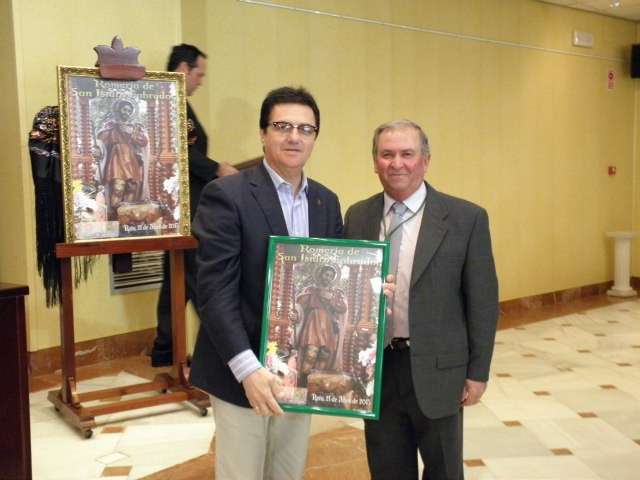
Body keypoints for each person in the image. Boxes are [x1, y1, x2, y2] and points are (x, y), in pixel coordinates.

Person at [190, 86, 343, 479]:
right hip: (242, 370)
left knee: (287, 471)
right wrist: (248, 370)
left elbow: (337, 281)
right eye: (282, 126)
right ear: (263, 133)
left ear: (315, 138)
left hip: (301, 370)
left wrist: (376, 292)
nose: (294, 137)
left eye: (305, 129)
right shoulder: (227, 195)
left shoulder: (326, 202)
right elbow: (214, 292)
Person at [344, 119, 499, 480]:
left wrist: (477, 372)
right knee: (387, 469)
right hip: (377, 371)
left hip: (439, 371)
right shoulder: (357, 216)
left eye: (407, 154)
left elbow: (483, 302)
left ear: (425, 160)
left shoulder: (466, 218)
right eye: (387, 154)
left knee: (444, 470)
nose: (396, 163)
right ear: (375, 162)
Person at [150, 44, 237, 367]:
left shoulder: (175, 102)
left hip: (183, 207)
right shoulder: (168, 102)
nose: (201, 81)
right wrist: (217, 169)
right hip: (182, 208)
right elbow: (177, 153)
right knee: (197, 278)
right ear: (184, 69)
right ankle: (216, 350)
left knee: (178, 281)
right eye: (199, 74)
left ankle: (165, 351)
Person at [294, 264, 347, 386]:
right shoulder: (311, 290)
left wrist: (333, 299)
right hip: (314, 323)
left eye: (331, 276)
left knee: (324, 355)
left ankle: (315, 384)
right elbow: (300, 303)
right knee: (311, 354)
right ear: (320, 274)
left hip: (328, 326)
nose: (328, 278)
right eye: (326, 274)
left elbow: (342, 308)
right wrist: (296, 312)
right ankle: (303, 384)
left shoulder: (335, 294)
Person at [96, 99, 149, 220]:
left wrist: (134, 133)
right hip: (117, 160)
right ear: (118, 110)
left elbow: (143, 141)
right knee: (118, 188)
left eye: (129, 111)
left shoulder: (134, 127)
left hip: (131, 160)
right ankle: (114, 216)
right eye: (124, 109)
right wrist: (98, 149)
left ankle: (125, 217)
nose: (127, 113)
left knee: (132, 188)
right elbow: (101, 139)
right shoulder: (111, 126)